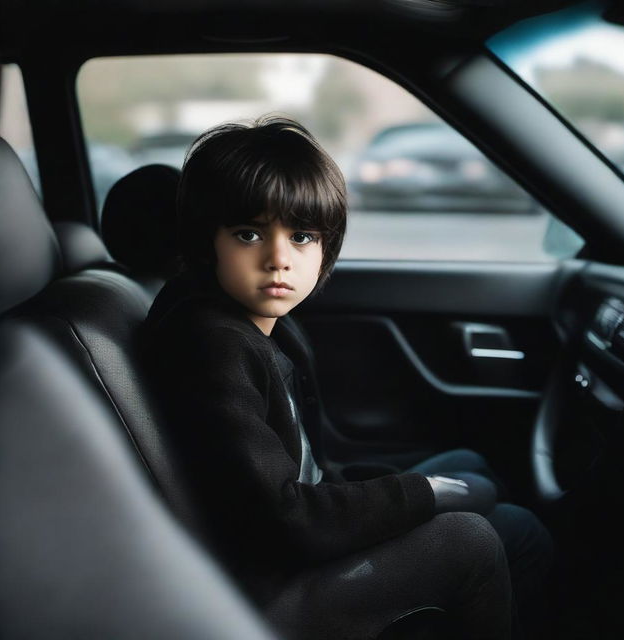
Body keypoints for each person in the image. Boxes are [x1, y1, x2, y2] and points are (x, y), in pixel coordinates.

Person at [142, 114, 548, 639]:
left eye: (303, 236)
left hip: (296, 541)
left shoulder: (255, 326)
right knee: (481, 537)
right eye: (249, 234)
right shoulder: (212, 345)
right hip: (269, 587)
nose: (279, 259)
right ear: (206, 243)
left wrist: (416, 488)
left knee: (471, 471)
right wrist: (424, 493)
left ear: (326, 246)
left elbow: (310, 468)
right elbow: (281, 519)